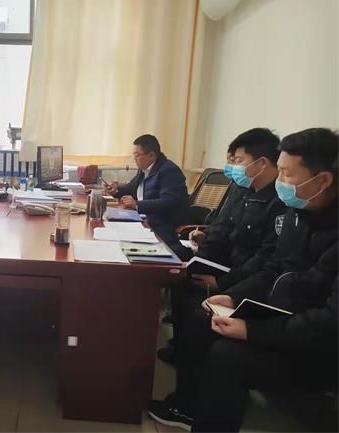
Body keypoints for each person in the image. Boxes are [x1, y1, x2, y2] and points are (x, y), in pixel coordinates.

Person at [148, 127, 338, 432]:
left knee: (228, 356)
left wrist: (252, 330)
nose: (280, 181)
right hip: (282, 316)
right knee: (203, 318)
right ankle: (188, 406)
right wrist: (233, 296)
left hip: (320, 347)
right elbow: (273, 266)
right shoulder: (299, 213)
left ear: (323, 180)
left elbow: (328, 324)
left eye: (287, 173)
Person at [161, 128, 286, 364]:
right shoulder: (242, 189)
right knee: (179, 276)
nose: (233, 167)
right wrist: (203, 256)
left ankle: (188, 361)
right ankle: (180, 348)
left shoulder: (281, 203)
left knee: (197, 312)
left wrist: (222, 283)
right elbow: (222, 227)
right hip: (224, 266)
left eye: (238, 161)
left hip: (241, 279)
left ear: (262, 163)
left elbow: (266, 259)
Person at [105, 134, 189, 245]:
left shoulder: (169, 170)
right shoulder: (144, 169)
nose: (134, 159)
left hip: (161, 227)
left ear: (151, 155)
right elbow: (131, 188)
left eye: (137, 155)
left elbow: (168, 202)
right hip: (144, 221)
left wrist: (137, 204)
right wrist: (116, 191)